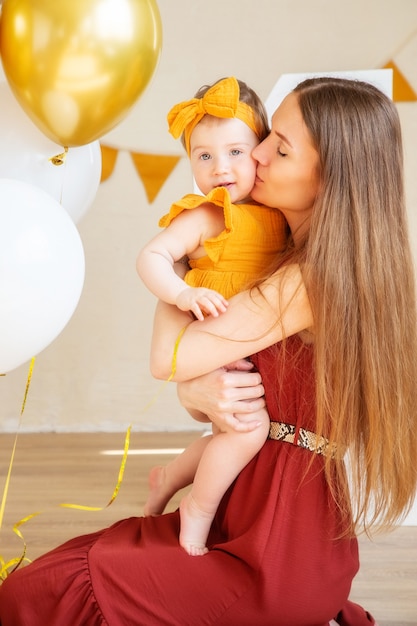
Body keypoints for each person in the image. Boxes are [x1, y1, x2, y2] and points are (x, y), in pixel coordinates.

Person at [1, 76, 416, 626]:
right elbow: (240, 393)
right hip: (253, 505)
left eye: (280, 148)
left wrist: (185, 261)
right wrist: (198, 390)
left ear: (328, 178)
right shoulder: (285, 254)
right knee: (67, 571)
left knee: (46, 592)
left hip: (275, 548)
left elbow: (168, 358)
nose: (258, 155)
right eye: (267, 136)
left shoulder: (306, 283)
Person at [137, 76, 287, 555]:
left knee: (234, 433)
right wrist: (181, 295)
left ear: (260, 150)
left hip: (251, 343)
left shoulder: (276, 213)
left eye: (235, 152)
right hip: (215, 338)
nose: (220, 168)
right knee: (249, 430)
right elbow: (152, 257)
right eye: (204, 156)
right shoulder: (205, 214)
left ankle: (169, 475)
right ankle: (196, 513)